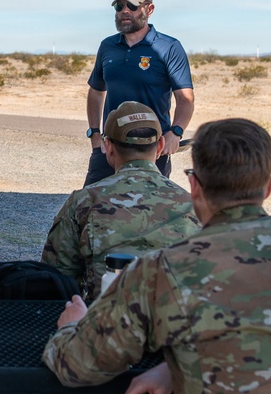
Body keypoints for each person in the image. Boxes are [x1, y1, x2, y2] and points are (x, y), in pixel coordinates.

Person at [43, 118, 271, 394]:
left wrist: (72, 325)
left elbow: (78, 367)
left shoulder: (166, 267)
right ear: (267, 188)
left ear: (194, 187)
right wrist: (170, 371)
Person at [42, 101, 200, 300]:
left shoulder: (83, 202)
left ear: (108, 147)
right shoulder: (192, 204)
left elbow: (57, 279)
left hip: (105, 324)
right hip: (176, 325)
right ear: (160, 145)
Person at [84, 0, 194, 186]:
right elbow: (96, 92)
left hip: (152, 149)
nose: (125, 11)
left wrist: (176, 132)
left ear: (149, 9)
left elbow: (186, 99)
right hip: (110, 147)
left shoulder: (169, 47)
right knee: (91, 208)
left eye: (132, 6)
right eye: (119, 6)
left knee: (150, 213)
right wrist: (94, 133)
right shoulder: (107, 46)